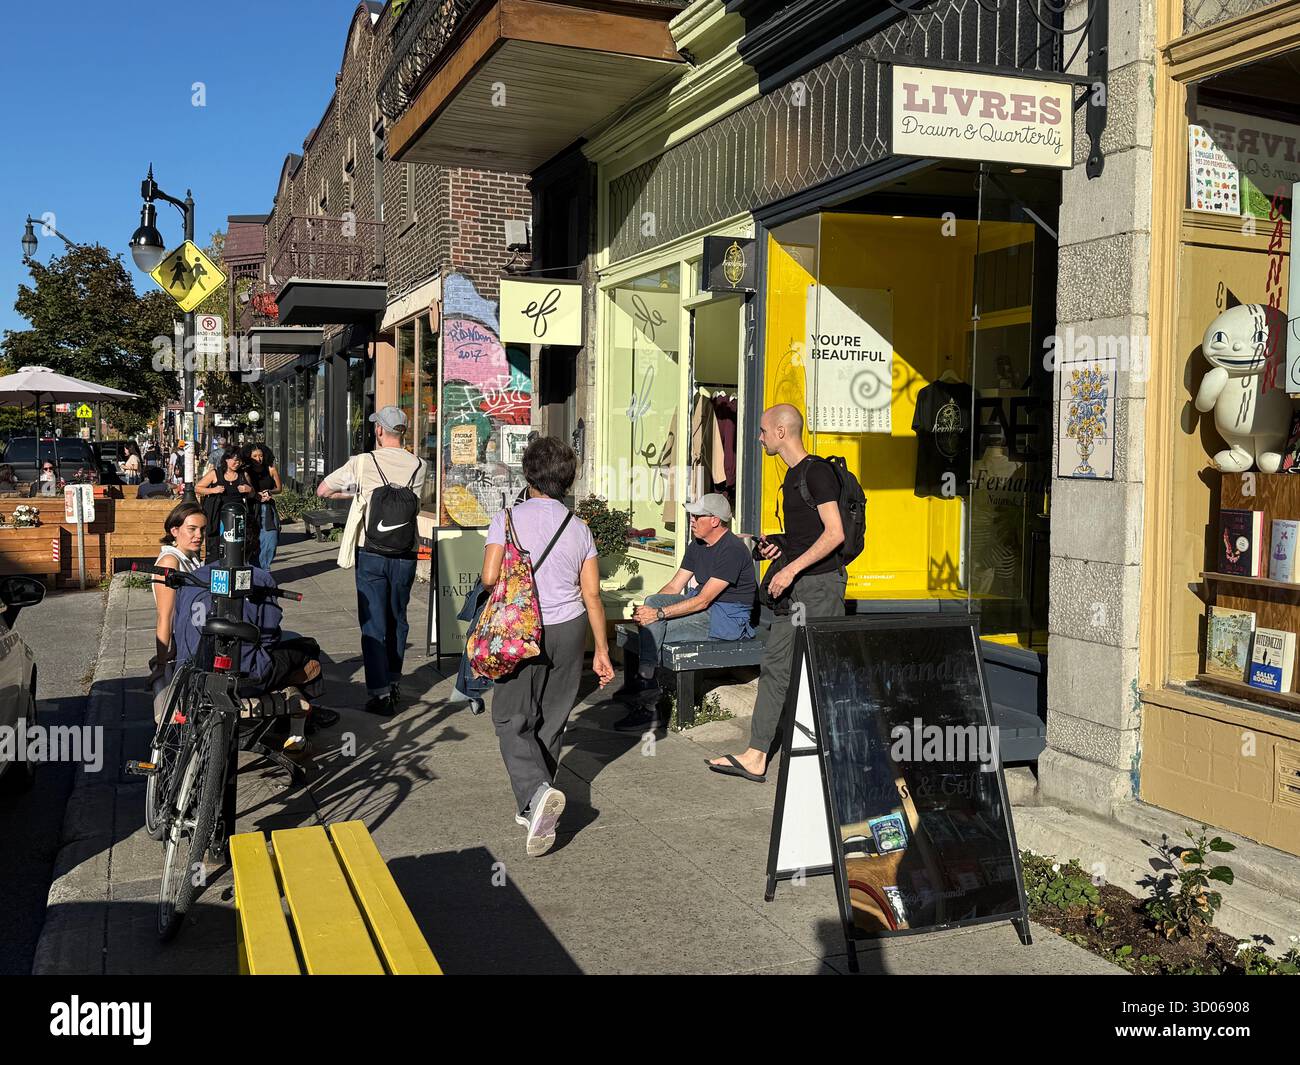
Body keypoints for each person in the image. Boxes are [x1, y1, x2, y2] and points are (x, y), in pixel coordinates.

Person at [479, 436, 615, 857]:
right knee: (552, 719)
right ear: (566, 479)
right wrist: (604, 651)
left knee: (509, 717)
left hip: (522, 629)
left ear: (529, 475)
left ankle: (537, 796)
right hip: (570, 628)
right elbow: (592, 594)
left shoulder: (507, 519)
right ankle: (536, 804)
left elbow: (488, 577)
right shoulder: (580, 528)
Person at [707, 404, 846, 783]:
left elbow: (835, 534)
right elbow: (807, 538)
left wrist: (789, 568)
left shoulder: (816, 473)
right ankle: (756, 754)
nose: (760, 437)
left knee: (821, 671)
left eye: (764, 430)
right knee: (777, 666)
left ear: (782, 433)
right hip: (798, 587)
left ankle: (842, 756)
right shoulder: (793, 478)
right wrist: (777, 546)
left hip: (818, 588)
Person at [611, 492, 757, 733]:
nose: (691, 519)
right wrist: (648, 609)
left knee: (655, 624)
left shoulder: (732, 549)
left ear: (715, 520)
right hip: (704, 607)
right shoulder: (697, 544)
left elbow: (703, 600)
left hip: (726, 619)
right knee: (653, 601)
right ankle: (647, 692)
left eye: (697, 515)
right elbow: (673, 587)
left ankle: (648, 703)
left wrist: (657, 615)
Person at [317, 405, 426, 716]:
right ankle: (393, 681)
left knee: (373, 622)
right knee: (398, 619)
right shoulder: (421, 465)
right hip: (405, 552)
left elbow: (324, 489)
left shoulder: (364, 462)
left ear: (379, 431)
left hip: (372, 551)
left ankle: (379, 693)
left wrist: (358, 492)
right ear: (402, 432)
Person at [147, 502, 207, 694]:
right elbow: (165, 616)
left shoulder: (189, 557)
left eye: (202, 529)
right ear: (174, 530)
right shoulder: (170, 562)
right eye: (192, 529)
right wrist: (162, 663)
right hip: (187, 646)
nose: (198, 535)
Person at [196, 446, 253, 563]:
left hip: (237, 518)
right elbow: (197, 488)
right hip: (217, 517)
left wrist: (249, 489)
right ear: (226, 459)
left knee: (235, 548)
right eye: (234, 460)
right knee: (216, 547)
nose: (236, 463)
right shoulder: (215, 473)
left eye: (239, 461)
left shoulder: (243, 475)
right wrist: (213, 490)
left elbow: (252, 494)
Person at [242, 443, 283, 570]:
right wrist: (255, 495)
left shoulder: (270, 469)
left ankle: (264, 570)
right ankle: (256, 571)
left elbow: (279, 488)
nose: (258, 458)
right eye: (254, 456)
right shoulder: (246, 471)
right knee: (253, 541)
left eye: (260, 455)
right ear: (249, 457)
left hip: (268, 509)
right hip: (252, 509)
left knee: (271, 541)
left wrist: (270, 492)